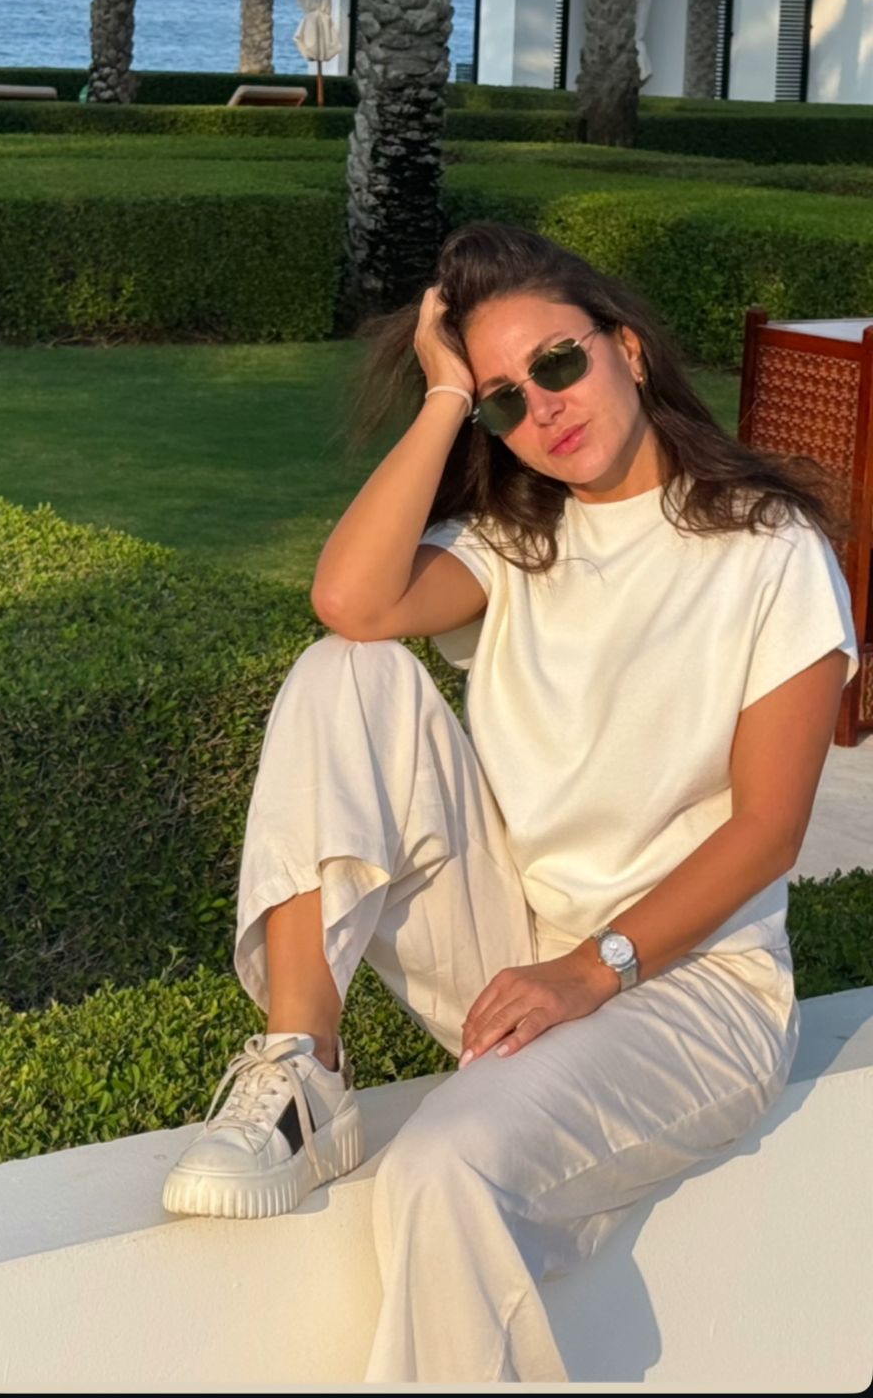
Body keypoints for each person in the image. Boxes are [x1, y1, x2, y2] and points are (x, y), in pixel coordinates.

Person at [162, 222, 858, 1383]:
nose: (541, 407)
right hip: (521, 956)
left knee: (443, 1169)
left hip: (695, 993)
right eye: (503, 398)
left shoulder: (765, 548)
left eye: (557, 362)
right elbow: (349, 600)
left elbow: (764, 831)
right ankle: (301, 1071)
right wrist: (442, 396)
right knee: (346, 670)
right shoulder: (514, 539)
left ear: (626, 349)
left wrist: (588, 970)